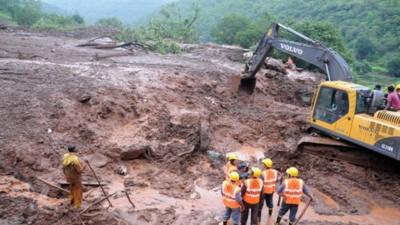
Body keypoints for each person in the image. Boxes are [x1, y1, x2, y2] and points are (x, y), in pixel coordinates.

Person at [62, 144, 85, 208]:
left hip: (69, 178)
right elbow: (79, 170)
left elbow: (63, 168)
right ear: (74, 150)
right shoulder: (74, 159)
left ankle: (71, 202)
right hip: (76, 178)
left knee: (72, 189)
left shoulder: (65, 157)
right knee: (78, 191)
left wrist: (66, 175)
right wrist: (85, 166)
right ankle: (77, 205)